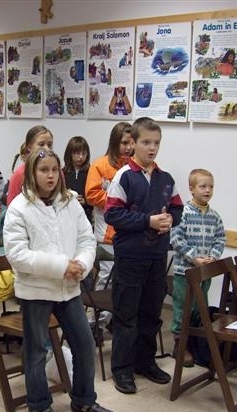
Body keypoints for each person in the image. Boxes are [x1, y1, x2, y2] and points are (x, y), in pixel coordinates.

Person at [3, 144, 115, 412]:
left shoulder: (70, 202)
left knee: (84, 344)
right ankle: (39, 404)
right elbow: (18, 255)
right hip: (37, 289)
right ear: (32, 173)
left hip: (68, 287)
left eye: (54, 170)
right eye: (44, 170)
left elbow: (86, 239)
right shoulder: (19, 207)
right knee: (37, 350)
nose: (50, 175)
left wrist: (81, 264)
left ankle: (84, 399)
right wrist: (61, 265)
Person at [105, 117, 183, 395]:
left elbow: (177, 208)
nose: (152, 148)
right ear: (133, 144)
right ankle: (122, 369)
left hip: (156, 255)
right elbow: (113, 214)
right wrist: (147, 221)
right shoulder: (124, 176)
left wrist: (170, 220)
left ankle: (145, 362)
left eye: (156, 143)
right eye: (146, 142)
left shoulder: (166, 178)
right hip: (131, 256)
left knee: (151, 312)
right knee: (127, 315)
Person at [169, 168, 225, 367]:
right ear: (192, 189)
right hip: (185, 272)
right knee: (183, 307)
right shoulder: (182, 213)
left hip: (205, 273)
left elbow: (220, 239)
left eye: (211, 187)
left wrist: (213, 257)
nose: (207, 190)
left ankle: (193, 343)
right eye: (203, 186)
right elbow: (176, 238)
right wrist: (193, 258)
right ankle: (180, 344)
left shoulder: (215, 216)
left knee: (198, 308)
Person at [84, 122, 133, 289]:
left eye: (131, 143)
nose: (128, 147)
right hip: (107, 232)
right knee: (107, 276)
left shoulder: (136, 166)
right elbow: (91, 195)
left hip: (130, 232)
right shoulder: (100, 165)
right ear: (115, 142)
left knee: (127, 277)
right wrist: (119, 200)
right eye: (124, 143)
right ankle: (99, 307)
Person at [6, 125, 54, 206]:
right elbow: (11, 207)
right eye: (41, 144)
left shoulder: (57, 171)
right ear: (29, 147)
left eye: (49, 145)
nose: (47, 149)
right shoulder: (20, 174)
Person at [62, 136, 92, 222]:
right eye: (77, 153)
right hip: (67, 215)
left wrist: (85, 202)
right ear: (70, 154)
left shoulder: (91, 171)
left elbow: (94, 194)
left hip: (85, 215)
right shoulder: (63, 172)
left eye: (84, 154)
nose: (81, 157)